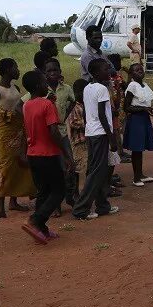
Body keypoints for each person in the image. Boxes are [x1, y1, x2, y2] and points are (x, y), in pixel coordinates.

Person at [20, 70, 72, 243]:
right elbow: (54, 132)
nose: (47, 86)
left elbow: (26, 130)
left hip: (33, 154)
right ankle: (35, 220)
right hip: (48, 154)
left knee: (43, 191)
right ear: (37, 86)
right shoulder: (47, 105)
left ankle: (41, 229)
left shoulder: (26, 105)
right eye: (44, 83)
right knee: (59, 190)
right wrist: (65, 153)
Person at [0, 58, 35, 221]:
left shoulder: (16, 87)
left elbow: (19, 108)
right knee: (5, 166)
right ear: (7, 70)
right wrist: (2, 126)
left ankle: (13, 201)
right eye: (15, 67)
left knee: (18, 164)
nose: (18, 70)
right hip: (5, 133)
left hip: (18, 131)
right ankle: (0, 208)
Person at [73, 58, 119, 221]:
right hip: (101, 134)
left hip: (92, 133)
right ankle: (81, 209)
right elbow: (102, 115)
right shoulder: (102, 89)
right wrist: (111, 137)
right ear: (97, 73)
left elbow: (87, 112)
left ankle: (103, 206)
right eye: (106, 70)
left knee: (96, 170)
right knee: (96, 172)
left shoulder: (87, 88)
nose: (109, 72)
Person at [42, 59, 79, 206]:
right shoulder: (41, 90)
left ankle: (71, 196)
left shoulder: (66, 88)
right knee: (53, 169)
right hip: (47, 135)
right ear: (44, 74)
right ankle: (55, 204)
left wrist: (64, 116)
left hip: (62, 132)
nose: (52, 73)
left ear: (60, 72)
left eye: (55, 70)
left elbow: (73, 101)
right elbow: (24, 104)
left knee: (70, 164)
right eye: (49, 71)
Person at [123, 62, 153, 186]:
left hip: (144, 119)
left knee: (141, 148)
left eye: (141, 69)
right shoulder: (132, 86)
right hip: (136, 120)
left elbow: (145, 104)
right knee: (136, 149)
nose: (140, 72)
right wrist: (144, 109)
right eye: (137, 70)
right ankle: (136, 178)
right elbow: (126, 107)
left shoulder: (144, 85)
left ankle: (140, 174)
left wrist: (150, 110)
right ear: (131, 74)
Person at [65, 78, 89, 201]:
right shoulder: (75, 107)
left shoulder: (84, 105)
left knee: (82, 168)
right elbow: (74, 122)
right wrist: (89, 124)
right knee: (80, 169)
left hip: (84, 142)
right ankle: (77, 194)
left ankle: (77, 193)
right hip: (78, 142)